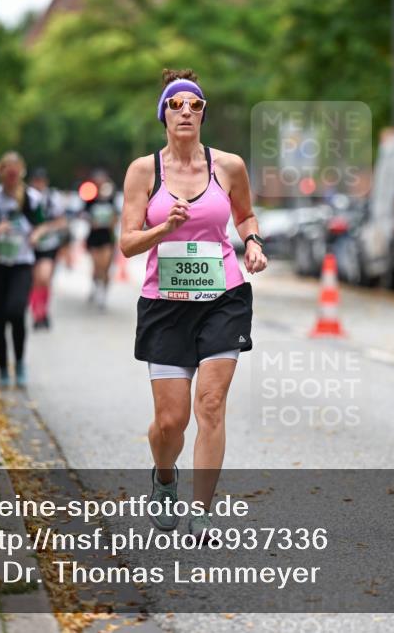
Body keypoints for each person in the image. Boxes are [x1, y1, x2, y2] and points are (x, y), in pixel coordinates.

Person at [120, 69, 268, 541]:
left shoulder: (228, 166)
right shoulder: (145, 172)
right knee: (170, 422)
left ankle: (201, 511)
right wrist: (162, 230)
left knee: (211, 403)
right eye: (176, 104)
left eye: (195, 105)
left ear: (204, 113)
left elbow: (244, 215)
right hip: (164, 303)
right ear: (163, 113)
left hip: (222, 296)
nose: (186, 111)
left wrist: (253, 243)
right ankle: (164, 478)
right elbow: (126, 243)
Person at [0, 152, 61, 388]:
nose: (11, 178)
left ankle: (19, 362)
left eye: (15, 173)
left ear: (21, 172)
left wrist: (37, 235)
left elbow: (43, 225)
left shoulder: (32, 199)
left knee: (16, 312)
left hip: (21, 264)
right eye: (7, 173)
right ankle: (2, 368)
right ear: (0, 173)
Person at [27, 168, 67, 329]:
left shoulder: (53, 198)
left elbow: (62, 221)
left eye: (41, 181)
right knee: (34, 281)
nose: (38, 184)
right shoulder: (25, 197)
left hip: (49, 244)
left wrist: (47, 228)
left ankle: (43, 310)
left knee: (44, 278)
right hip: (29, 245)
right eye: (36, 180)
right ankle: (37, 314)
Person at [84, 172, 118, 307]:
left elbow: (117, 216)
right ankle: (95, 287)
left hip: (107, 237)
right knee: (97, 266)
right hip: (94, 237)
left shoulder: (112, 199)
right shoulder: (90, 199)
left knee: (105, 267)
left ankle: (103, 293)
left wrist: (112, 223)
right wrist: (92, 222)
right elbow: (84, 215)